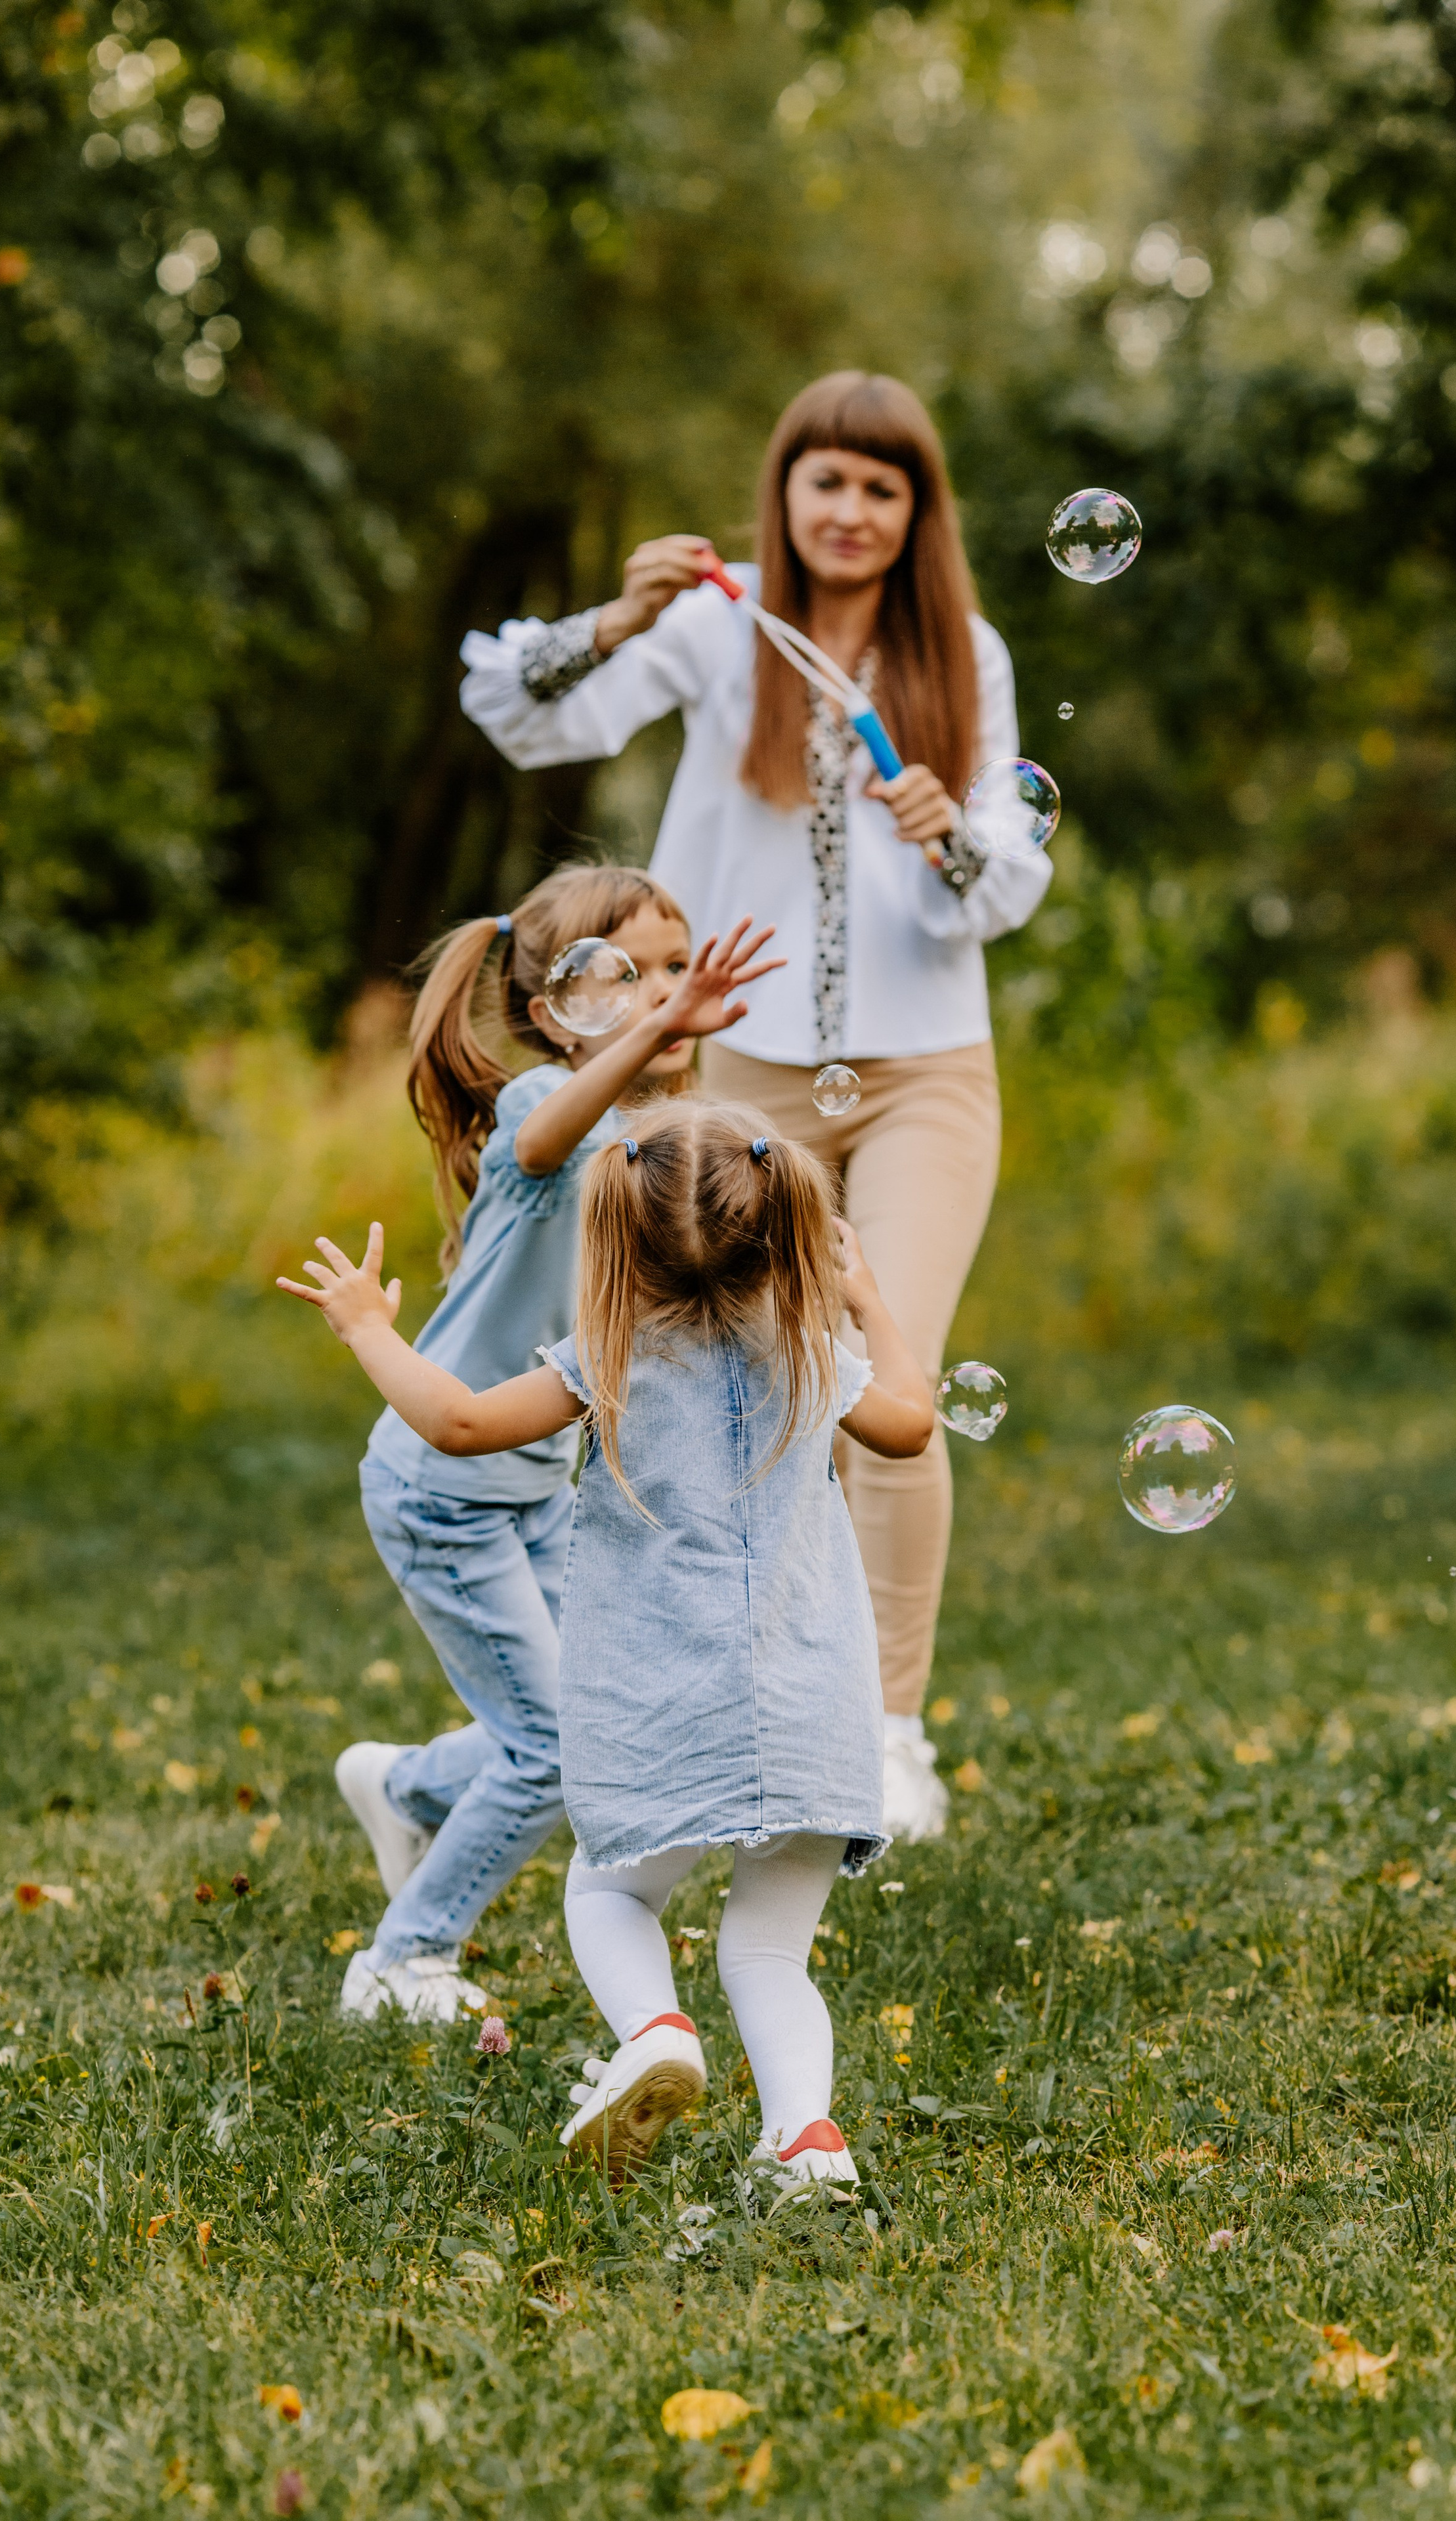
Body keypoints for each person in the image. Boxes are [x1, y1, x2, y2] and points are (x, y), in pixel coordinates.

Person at [458, 370, 1052, 1841]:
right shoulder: (717, 630)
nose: (850, 512)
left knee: (881, 1385)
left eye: (881, 488)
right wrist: (610, 620)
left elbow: (1009, 884)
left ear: (918, 515)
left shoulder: (958, 653)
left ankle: (888, 1726)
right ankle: (724, 1700)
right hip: (729, 1078)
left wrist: (948, 840)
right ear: (783, 495)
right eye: (825, 481)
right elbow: (513, 716)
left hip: (926, 1072)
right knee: (724, 1389)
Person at [278, 1097, 936, 2193]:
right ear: (786, 1232)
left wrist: (369, 1330)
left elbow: (457, 1426)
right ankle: (806, 2141)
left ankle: (654, 2031)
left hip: (666, 1703)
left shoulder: (612, 1359)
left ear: (615, 1242)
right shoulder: (817, 1354)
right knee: (770, 1953)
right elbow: (912, 1426)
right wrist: (867, 1300)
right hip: (819, 1714)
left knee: (612, 1895)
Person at [312, 863, 782, 2021]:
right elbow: (553, 1141)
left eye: (678, 969)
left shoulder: (664, 1140)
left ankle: (406, 1786)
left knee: (582, 1715)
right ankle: (402, 1960)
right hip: (443, 1483)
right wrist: (659, 1032)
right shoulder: (543, 1110)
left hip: (531, 1482)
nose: (669, 994)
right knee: (551, 1749)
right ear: (554, 1009)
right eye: (631, 977)